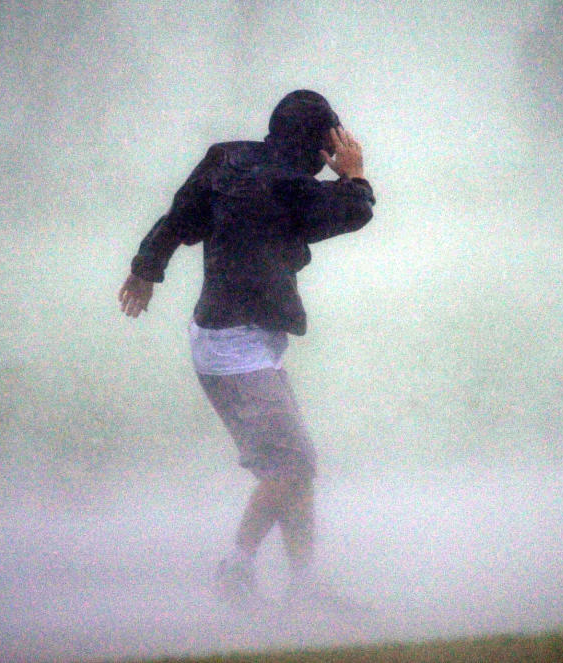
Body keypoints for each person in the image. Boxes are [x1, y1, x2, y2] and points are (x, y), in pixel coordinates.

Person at [117, 90, 375, 610]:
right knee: (292, 465)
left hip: (228, 341)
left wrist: (146, 269)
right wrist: (355, 174)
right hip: (236, 350)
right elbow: (353, 212)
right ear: (317, 143)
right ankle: (234, 571)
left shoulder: (226, 160)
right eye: (329, 141)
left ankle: (302, 589)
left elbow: (175, 221)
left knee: (291, 470)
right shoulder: (290, 188)